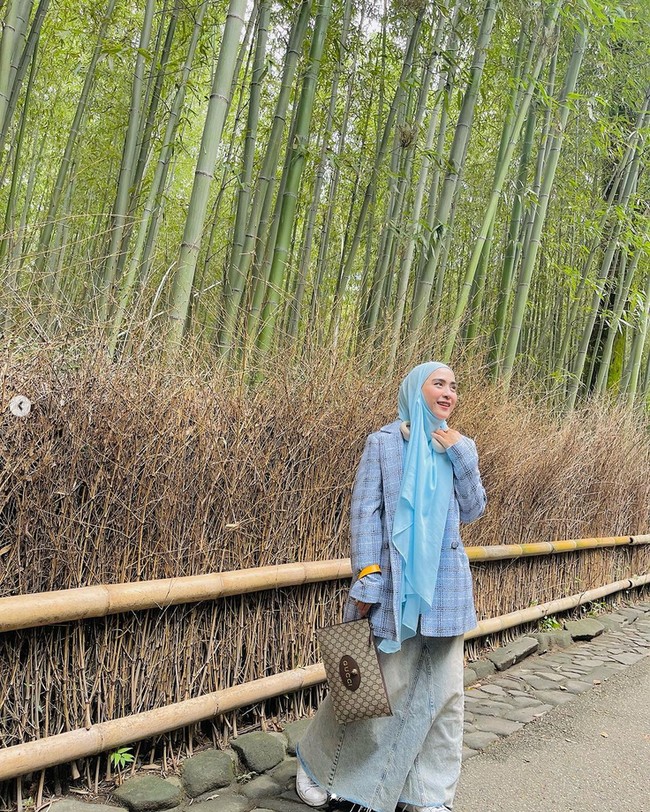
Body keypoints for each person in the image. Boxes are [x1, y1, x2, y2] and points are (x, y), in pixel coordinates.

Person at [295, 361, 486, 812]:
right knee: (373, 692)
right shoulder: (383, 444)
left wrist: (462, 455)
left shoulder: (459, 446)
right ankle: (319, 764)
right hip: (393, 586)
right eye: (438, 383)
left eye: (454, 386)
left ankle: (427, 795)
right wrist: (367, 580)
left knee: (445, 696)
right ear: (413, 389)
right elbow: (365, 514)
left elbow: (474, 509)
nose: (449, 392)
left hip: (445, 588)